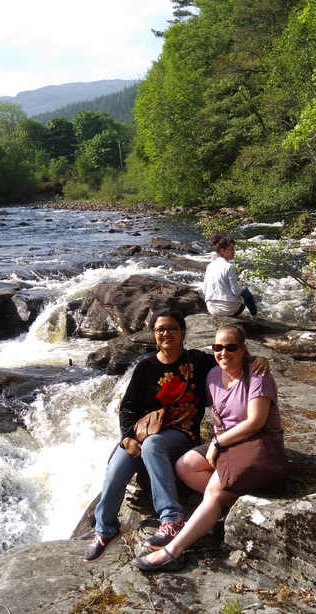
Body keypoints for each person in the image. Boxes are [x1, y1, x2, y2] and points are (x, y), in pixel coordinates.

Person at [85, 310, 270, 562]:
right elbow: (128, 406)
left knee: (153, 445)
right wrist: (127, 436)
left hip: (180, 434)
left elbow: (230, 357)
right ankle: (105, 529)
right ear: (154, 335)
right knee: (116, 468)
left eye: (172, 328)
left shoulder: (198, 361)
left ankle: (171, 519)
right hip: (143, 431)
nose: (166, 334)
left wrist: (259, 358)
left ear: (183, 333)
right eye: (160, 329)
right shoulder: (145, 365)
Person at [132, 323, 289, 572]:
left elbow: (255, 422)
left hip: (256, 443)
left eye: (230, 347)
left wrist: (217, 443)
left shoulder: (258, 375)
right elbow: (189, 394)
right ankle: (231, 504)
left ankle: (173, 552)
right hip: (228, 444)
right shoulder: (214, 374)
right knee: (185, 466)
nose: (223, 352)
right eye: (218, 347)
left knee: (214, 491)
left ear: (243, 348)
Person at [203, 234, 258, 318]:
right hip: (229, 309)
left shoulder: (210, 266)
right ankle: (255, 316)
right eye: (231, 249)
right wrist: (239, 286)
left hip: (212, 309)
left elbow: (204, 291)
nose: (234, 252)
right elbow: (236, 292)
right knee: (245, 289)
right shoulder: (229, 267)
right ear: (223, 251)